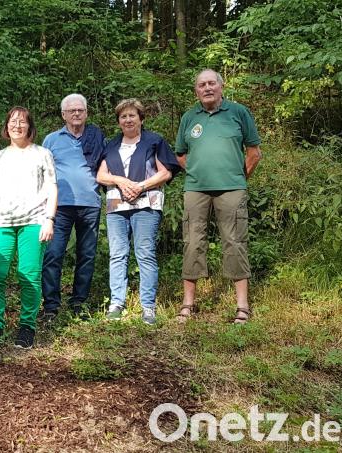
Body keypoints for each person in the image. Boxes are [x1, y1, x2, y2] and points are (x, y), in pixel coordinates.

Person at [175, 69, 262, 324]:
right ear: (196, 90)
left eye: (212, 83)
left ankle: (242, 307)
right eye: (202, 85)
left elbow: (254, 152)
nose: (207, 88)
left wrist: (237, 176)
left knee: (234, 242)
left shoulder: (238, 112)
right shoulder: (189, 117)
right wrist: (196, 173)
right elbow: (180, 154)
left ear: (221, 86)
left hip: (232, 189)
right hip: (195, 189)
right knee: (192, 241)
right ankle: (188, 305)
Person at [96, 99, 180, 325]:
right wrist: (120, 181)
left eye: (132, 115)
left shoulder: (154, 141)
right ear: (119, 121)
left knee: (145, 253)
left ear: (141, 118)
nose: (128, 120)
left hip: (146, 204)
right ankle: (116, 303)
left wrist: (140, 186)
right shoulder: (112, 144)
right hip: (116, 206)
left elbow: (166, 173)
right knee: (117, 254)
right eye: (123, 116)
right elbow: (101, 175)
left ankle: (148, 306)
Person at [0, 107, 57, 349]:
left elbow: (52, 188)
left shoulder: (42, 154)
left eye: (22, 122)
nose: (17, 125)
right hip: (1, 222)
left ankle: (27, 327)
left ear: (29, 126)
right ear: (6, 127)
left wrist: (49, 219)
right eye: (13, 121)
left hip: (33, 222)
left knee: (30, 275)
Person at [40, 93, 105, 321]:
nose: (76, 114)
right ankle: (50, 305)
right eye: (71, 111)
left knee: (86, 255)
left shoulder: (97, 136)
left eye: (80, 110)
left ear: (86, 113)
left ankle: (79, 302)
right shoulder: (51, 140)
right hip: (59, 206)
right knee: (53, 254)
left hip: (90, 205)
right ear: (63, 114)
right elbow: (43, 173)